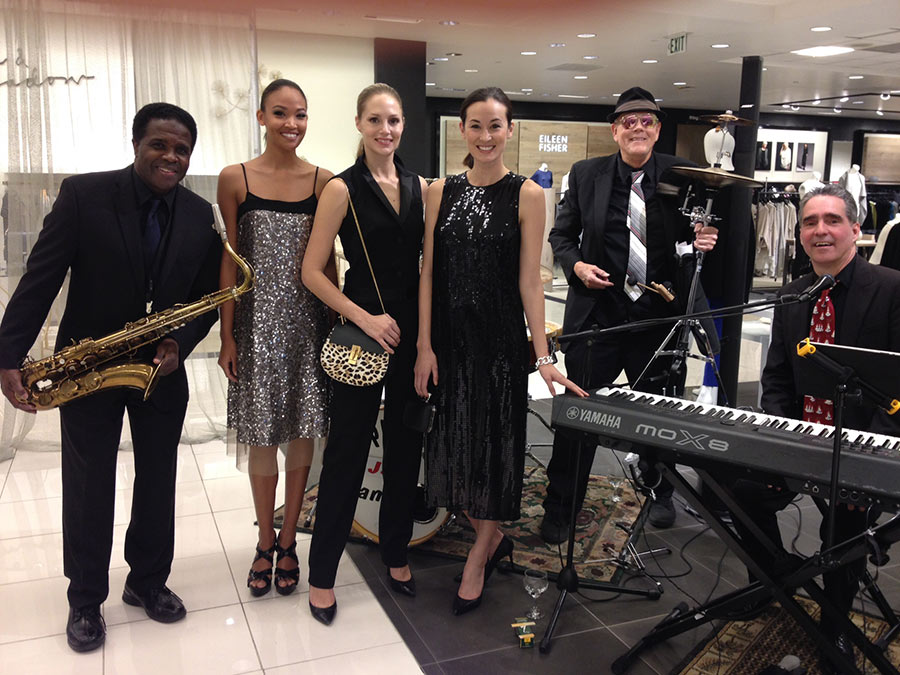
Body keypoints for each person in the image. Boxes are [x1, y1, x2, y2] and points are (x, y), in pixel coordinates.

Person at [0, 103, 222, 652]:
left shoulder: (198, 213)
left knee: (158, 481)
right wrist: (8, 354)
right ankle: (84, 598)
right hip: (88, 365)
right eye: (160, 145)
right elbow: (41, 277)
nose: (171, 157)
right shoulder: (84, 195)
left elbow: (207, 299)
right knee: (88, 484)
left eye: (182, 149)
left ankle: (147, 581)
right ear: (136, 144)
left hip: (159, 371)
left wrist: (180, 342)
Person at [415, 87, 586, 615]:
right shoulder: (439, 190)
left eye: (495, 126)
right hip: (448, 339)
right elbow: (428, 274)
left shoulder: (528, 195)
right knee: (454, 447)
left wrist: (542, 355)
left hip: (499, 344)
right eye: (476, 126)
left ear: (509, 130)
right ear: (462, 131)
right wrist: (423, 345)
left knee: (492, 450)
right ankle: (490, 538)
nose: (486, 136)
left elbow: (530, 282)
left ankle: (480, 551)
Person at [731, 184, 900, 674]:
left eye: (831, 220)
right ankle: (775, 580)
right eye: (809, 222)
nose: (819, 230)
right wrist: (779, 440)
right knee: (734, 491)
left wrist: (868, 454)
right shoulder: (792, 294)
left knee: (842, 532)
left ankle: (835, 625)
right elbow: (778, 379)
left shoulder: (890, 289)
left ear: (855, 229)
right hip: (803, 439)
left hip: (862, 447)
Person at [541, 87, 719, 543]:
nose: (638, 127)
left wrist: (700, 241)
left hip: (657, 322)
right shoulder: (586, 175)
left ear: (657, 130)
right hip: (598, 320)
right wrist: (577, 265)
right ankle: (561, 508)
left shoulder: (682, 174)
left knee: (658, 419)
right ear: (615, 130)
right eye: (629, 121)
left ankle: (659, 490)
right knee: (576, 418)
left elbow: (696, 234)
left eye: (647, 121)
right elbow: (562, 236)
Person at [301, 83, 428, 625]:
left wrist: (425, 343)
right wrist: (363, 317)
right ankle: (323, 573)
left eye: (394, 120)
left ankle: (395, 552)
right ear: (358, 124)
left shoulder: (421, 186)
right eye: (375, 120)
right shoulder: (340, 188)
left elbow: (427, 269)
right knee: (348, 454)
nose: (385, 130)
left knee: (405, 448)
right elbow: (311, 271)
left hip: (410, 337)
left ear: (403, 126)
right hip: (362, 332)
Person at [217, 79, 333, 597]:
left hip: (310, 326)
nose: (292, 123)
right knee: (261, 435)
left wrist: (335, 330)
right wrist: (227, 334)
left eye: (301, 114)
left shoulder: (324, 182)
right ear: (261, 117)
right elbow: (229, 259)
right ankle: (265, 540)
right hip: (255, 324)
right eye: (281, 113)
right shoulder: (235, 178)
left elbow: (329, 263)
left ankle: (291, 539)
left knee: (302, 432)